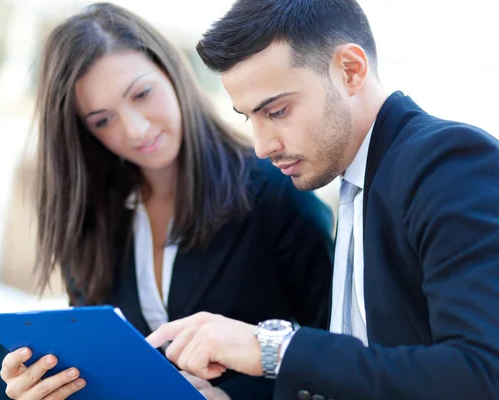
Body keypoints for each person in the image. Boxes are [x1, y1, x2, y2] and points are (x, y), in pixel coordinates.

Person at [146, 1, 499, 399]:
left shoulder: (448, 162)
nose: (262, 146)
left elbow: (481, 374)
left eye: (277, 111)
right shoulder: (355, 182)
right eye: (249, 118)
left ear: (351, 70)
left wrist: (275, 349)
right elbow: (370, 370)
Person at [0, 3, 334, 400]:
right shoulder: (92, 220)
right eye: (103, 120)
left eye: (141, 94)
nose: (137, 130)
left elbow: (338, 361)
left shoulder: (275, 194)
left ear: (172, 74)